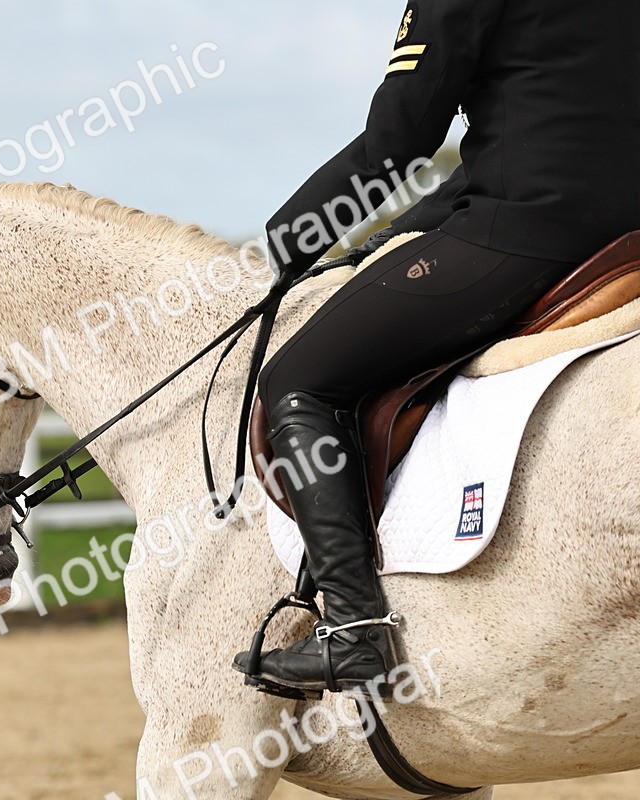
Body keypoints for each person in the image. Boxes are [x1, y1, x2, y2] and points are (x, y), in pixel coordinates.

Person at [244, 0, 640, 696]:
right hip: (621, 240)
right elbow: (531, 127)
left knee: (298, 382)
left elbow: (396, 145)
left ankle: (353, 630)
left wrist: (283, 246)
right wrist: (385, 240)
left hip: (526, 236)